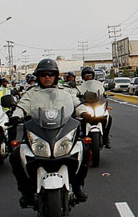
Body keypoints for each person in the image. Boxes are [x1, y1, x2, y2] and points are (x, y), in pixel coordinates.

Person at [9, 59, 89, 207]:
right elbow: (22, 106)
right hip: (38, 132)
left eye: (50, 74)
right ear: (38, 76)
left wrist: (84, 113)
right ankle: (26, 192)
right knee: (15, 156)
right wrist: (16, 116)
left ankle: (78, 187)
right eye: (43, 74)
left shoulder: (65, 91)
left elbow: (76, 103)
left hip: (61, 131)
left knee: (83, 149)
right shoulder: (31, 93)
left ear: (55, 76)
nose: (47, 77)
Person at [78, 66, 112, 148]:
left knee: (109, 117)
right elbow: (75, 95)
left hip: (96, 106)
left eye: (90, 75)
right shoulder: (80, 87)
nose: (88, 77)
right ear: (83, 77)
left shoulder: (99, 85)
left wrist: (104, 94)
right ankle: (79, 136)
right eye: (86, 75)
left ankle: (105, 137)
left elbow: (103, 93)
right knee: (77, 118)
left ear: (93, 76)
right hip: (86, 106)